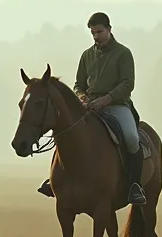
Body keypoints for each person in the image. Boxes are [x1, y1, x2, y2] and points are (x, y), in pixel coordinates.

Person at [46, 11, 146, 205]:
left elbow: (127, 84)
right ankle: (55, 179)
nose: (96, 36)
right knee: (68, 131)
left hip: (117, 105)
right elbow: (78, 84)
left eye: (99, 31)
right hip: (90, 106)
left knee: (132, 138)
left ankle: (134, 185)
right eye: (92, 32)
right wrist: (81, 96)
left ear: (109, 29)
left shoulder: (123, 53)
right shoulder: (87, 55)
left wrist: (106, 99)